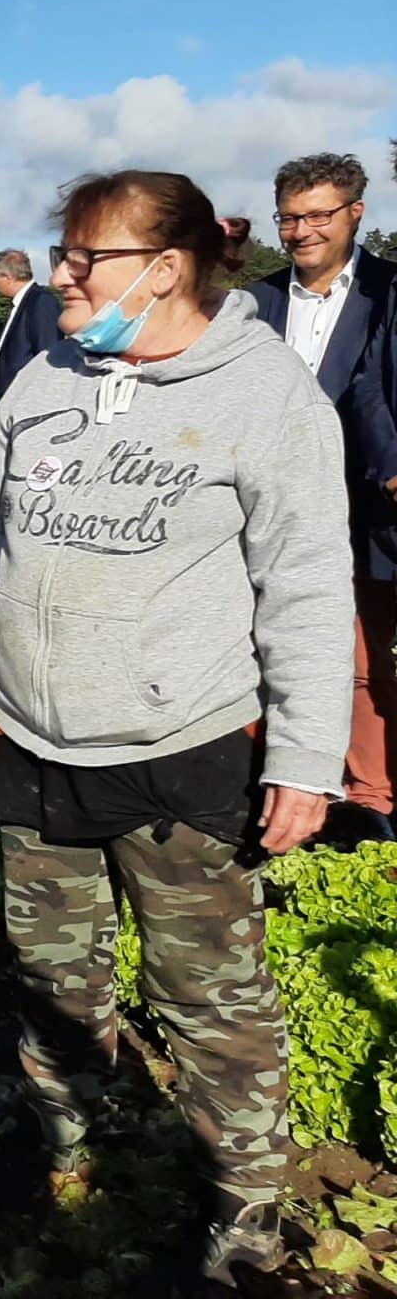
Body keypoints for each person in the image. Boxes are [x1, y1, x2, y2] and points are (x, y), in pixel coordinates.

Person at [0, 170, 350, 1290]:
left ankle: (244, 1201)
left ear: (164, 270)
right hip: (29, 742)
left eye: (83, 260)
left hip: (179, 749)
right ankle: (70, 1141)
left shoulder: (265, 400)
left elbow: (306, 587)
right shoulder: (38, 382)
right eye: (60, 256)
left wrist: (307, 759)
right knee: (52, 974)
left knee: (206, 996)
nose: (60, 277)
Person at [249, 153, 397, 844]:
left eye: (317, 215)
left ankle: (371, 798)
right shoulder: (256, 301)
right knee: (262, 651)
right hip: (269, 513)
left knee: (361, 659)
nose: (301, 230)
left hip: (360, 505)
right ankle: (268, 785)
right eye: (289, 217)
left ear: (355, 214)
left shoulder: (388, 294)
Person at [0, 248, 64, 402]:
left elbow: (47, 354)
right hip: (10, 396)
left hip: (26, 397)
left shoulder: (40, 302)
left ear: (7, 277)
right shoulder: (21, 303)